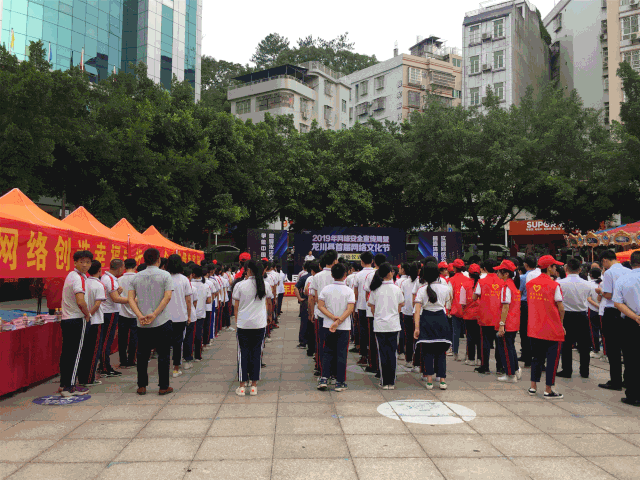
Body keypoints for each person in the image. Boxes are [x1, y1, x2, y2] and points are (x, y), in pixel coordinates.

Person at [128, 248, 174, 396]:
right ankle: (163, 386)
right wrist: (154, 314)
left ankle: (142, 385)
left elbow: (130, 299)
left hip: (142, 323)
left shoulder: (136, 277)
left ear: (144, 260)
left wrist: (139, 315)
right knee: (163, 354)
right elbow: (167, 297)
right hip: (162, 320)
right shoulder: (165, 275)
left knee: (142, 355)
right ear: (158, 259)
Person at [526, 255, 565, 399]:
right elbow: (561, 307)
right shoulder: (554, 285)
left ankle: (533, 386)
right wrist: (561, 324)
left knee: (536, 358)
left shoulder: (530, 284)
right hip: (552, 328)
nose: (556, 269)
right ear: (549, 268)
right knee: (552, 360)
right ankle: (548, 389)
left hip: (535, 327)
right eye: (555, 266)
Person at [233, 259, 273, 396]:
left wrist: (237, 321)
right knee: (256, 353)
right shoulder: (265, 285)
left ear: (248, 270)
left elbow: (236, 306)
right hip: (259, 324)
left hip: (243, 324)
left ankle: (242, 386)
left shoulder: (240, 285)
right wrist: (269, 316)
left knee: (243, 354)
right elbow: (269, 303)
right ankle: (254, 386)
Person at [59, 250, 93, 397]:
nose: (85, 265)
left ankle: (64, 383)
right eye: (82, 262)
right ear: (75, 262)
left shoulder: (71, 275)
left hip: (67, 319)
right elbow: (80, 301)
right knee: (76, 354)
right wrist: (87, 314)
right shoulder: (78, 278)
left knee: (67, 352)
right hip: (77, 319)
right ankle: (70, 387)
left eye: (88, 262)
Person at [413, 262, 453, 390]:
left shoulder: (421, 290)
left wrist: (416, 328)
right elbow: (448, 302)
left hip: (426, 320)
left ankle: (429, 381)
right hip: (441, 319)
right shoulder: (445, 288)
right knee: (441, 351)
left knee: (427, 351)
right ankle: (442, 381)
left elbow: (417, 311)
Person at [316, 263, 356, 392]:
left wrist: (333, 318)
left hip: (328, 325)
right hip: (343, 327)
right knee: (341, 353)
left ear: (332, 275)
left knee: (327, 351)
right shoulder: (349, 291)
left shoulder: (326, 289)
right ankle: (340, 382)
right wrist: (339, 321)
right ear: (345, 275)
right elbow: (350, 309)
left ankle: (324, 378)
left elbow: (320, 306)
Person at [368, 262, 404, 389]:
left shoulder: (375, 289)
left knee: (382, 353)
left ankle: (384, 382)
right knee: (392, 353)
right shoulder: (396, 289)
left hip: (380, 325)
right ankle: (391, 382)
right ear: (389, 273)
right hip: (393, 325)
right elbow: (401, 305)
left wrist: (379, 315)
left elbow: (371, 306)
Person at [596, 250, 629, 391]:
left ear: (605, 260)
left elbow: (608, 295)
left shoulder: (609, 273)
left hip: (611, 311)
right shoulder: (627, 271)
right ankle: (628, 380)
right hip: (626, 311)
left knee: (613, 349)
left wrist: (600, 292)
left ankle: (615, 381)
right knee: (626, 349)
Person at [612, 250, 640, 406]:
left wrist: (635, 317)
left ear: (631, 262)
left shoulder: (623, 279)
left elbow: (617, 302)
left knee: (631, 359)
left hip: (630, 323)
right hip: (633, 320)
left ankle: (633, 395)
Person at [556, 258, 593, 379]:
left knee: (566, 344)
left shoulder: (560, 283)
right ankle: (585, 371)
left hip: (566, 315)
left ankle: (567, 370)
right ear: (580, 269)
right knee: (584, 345)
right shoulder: (587, 284)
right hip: (582, 315)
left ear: (566, 269)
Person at [309, 251, 339, 377]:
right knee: (335, 344)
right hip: (337, 315)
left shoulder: (317, 276)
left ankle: (321, 369)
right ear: (335, 261)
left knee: (321, 343)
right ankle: (334, 371)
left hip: (321, 314)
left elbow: (313, 297)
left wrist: (311, 312)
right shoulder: (339, 275)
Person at [77, 260, 107, 387]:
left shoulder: (84, 282)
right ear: (100, 270)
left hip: (84, 320)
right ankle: (89, 379)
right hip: (95, 320)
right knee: (94, 351)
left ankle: (82, 377)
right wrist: (89, 315)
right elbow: (97, 304)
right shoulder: (99, 285)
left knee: (84, 350)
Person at [99, 259, 129, 378]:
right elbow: (115, 299)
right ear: (120, 268)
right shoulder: (110, 279)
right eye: (123, 267)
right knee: (107, 340)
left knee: (106, 340)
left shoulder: (107, 278)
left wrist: (118, 292)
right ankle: (105, 367)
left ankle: (103, 365)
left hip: (108, 311)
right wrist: (132, 300)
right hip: (109, 312)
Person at [473, 259, 504, 375]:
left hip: (485, 315)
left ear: (485, 269)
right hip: (499, 316)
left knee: (485, 341)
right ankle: (500, 367)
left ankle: (485, 367)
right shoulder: (502, 281)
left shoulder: (481, 281)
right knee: (499, 343)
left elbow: (474, 297)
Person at [494, 260, 522, 383]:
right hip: (513, 321)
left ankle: (510, 375)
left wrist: (501, 324)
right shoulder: (513, 286)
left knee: (506, 349)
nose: (497, 273)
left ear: (506, 274)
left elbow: (505, 306)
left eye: (499, 271)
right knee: (510, 347)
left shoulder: (506, 287)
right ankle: (515, 370)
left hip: (507, 322)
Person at [166, 254, 193, 378]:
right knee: (178, 343)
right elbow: (188, 300)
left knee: (165, 343)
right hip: (180, 316)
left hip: (165, 316)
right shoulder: (184, 279)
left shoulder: (165, 278)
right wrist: (189, 315)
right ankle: (176, 368)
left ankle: (165, 366)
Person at [353, 252, 375, 367]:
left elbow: (355, 294)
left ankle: (364, 356)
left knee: (363, 332)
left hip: (361, 307)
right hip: (373, 307)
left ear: (361, 262)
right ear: (372, 261)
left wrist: (354, 308)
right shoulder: (376, 273)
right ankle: (373, 357)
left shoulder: (358, 275)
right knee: (372, 332)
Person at [117, 259, 138, 369]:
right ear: (135, 266)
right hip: (136, 312)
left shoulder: (119, 280)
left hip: (122, 312)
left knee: (122, 338)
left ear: (124, 266)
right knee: (134, 337)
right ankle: (131, 360)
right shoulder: (138, 278)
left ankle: (123, 361)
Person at [460, 264, 482, 366]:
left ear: (469, 274)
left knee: (470, 337)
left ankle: (471, 359)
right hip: (480, 314)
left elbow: (462, 302)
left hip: (469, 315)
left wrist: (464, 311)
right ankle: (480, 359)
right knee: (480, 337)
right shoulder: (482, 283)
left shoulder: (464, 285)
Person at [518, 255, 537, 367]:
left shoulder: (523, 277)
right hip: (536, 304)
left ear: (525, 265)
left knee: (524, 331)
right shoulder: (538, 275)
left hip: (525, 304)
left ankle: (526, 356)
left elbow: (519, 293)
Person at [189, 266, 211, 363]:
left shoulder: (189, 284)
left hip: (189, 313)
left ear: (193, 274)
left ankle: (188, 355)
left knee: (189, 336)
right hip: (201, 313)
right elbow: (209, 301)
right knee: (198, 334)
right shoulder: (205, 286)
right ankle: (197, 356)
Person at [447, 259, 468, 362]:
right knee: (468, 333)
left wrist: (448, 308)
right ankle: (468, 355)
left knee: (455, 332)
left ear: (454, 268)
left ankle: (455, 353)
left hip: (455, 308)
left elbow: (450, 296)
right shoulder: (467, 279)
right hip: (466, 309)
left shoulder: (451, 280)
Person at [400, 263, 419, 367]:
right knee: (417, 337)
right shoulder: (420, 282)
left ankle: (408, 360)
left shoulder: (404, 283)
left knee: (408, 337)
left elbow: (402, 297)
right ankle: (417, 361)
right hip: (417, 313)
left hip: (407, 312)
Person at [294, 262, 311, 349]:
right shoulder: (317, 277)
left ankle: (303, 342)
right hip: (317, 302)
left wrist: (299, 298)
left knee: (304, 322)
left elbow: (296, 287)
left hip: (306, 301)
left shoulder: (304, 277)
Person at [588, 267, 603, 359]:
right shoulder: (603, 283)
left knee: (594, 331)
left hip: (593, 309)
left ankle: (595, 350)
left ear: (591, 275)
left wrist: (597, 306)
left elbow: (588, 299)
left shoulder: (589, 284)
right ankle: (606, 351)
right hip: (603, 310)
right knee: (604, 331)